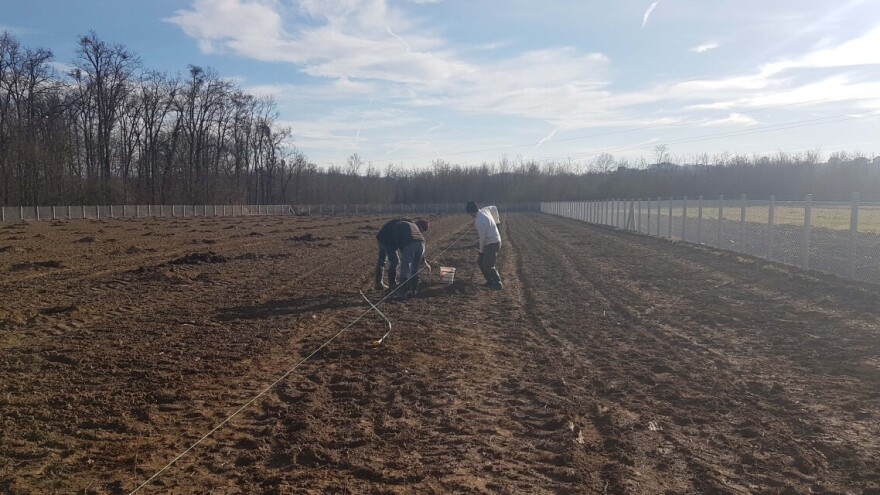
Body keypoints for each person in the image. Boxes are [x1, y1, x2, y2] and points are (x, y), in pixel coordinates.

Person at [374, 218, 430, 294]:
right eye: (421, 230)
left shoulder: (410, 226)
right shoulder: (405, 224)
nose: (420, 232)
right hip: (385, 238)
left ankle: (382, 283)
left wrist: (424, 261)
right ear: (419, 225)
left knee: (386, 260)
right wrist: (402, 249)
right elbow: (397, 236)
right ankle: (390, 284)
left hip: (389, 238)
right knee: (394, 261)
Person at [466, 201, 502, 290]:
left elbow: (483, 239)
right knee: (480, 262)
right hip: (490, 242)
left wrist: (481, 252)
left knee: (488, 264)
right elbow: (494, 207)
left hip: (493, 243)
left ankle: (498, 283)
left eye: (470, 214)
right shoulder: (485, 210)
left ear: (472, 212)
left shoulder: (479, 221)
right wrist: (497, 221)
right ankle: (490, 281)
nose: (470, 216)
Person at [393, 218, 429, 299]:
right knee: (414, 269)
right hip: (422, 243)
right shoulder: (412, 225)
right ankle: (413, 291)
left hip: (410, 243)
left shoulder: (397, 225)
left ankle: (402, 294)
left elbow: (397, 240)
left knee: (405, 267)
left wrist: (402, 250)